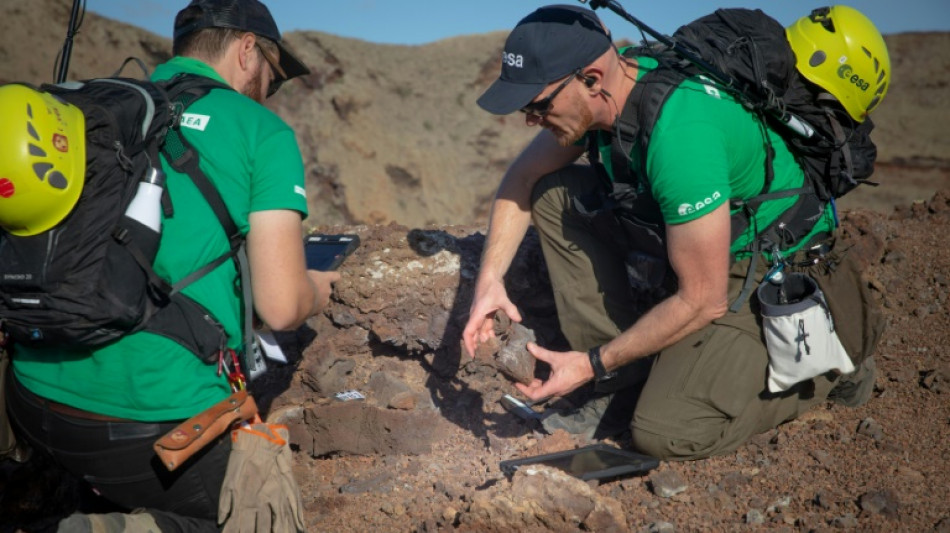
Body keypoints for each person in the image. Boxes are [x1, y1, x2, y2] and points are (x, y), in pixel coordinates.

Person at [463, 5, 886, 460]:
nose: (530, 120)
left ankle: (831, 369)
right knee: (554, 192)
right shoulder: (614, 93)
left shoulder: (681, 133)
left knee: (666, 433)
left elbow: (703, 298)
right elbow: (521, 179)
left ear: (591, 78)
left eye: (538, 105)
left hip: (760, 262)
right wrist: (489, 284)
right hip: (694, 238)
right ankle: (619, 384)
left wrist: (589, 363)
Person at [4, 0, 335, 530]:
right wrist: (319, 287)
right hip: (150, 426)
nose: (270, 91)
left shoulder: (100, 107)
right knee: (264, 515)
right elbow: (280, 307)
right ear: (247, 50)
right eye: (273, 76)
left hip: (30, 400)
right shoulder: (261, 131)